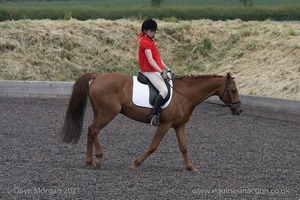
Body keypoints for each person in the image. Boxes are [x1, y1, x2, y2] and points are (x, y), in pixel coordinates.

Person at [136, 19, 171, 126]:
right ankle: (154, 116)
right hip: (149, 71)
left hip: (155, 70)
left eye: (154, 31)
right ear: (145, 31)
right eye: (151, 31)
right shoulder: (145, 42)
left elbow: (158, 60)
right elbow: (150, 61)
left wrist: (168, 69)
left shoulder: (151, 42)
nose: (153, 33)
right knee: (164, 91)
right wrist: (161, 72)